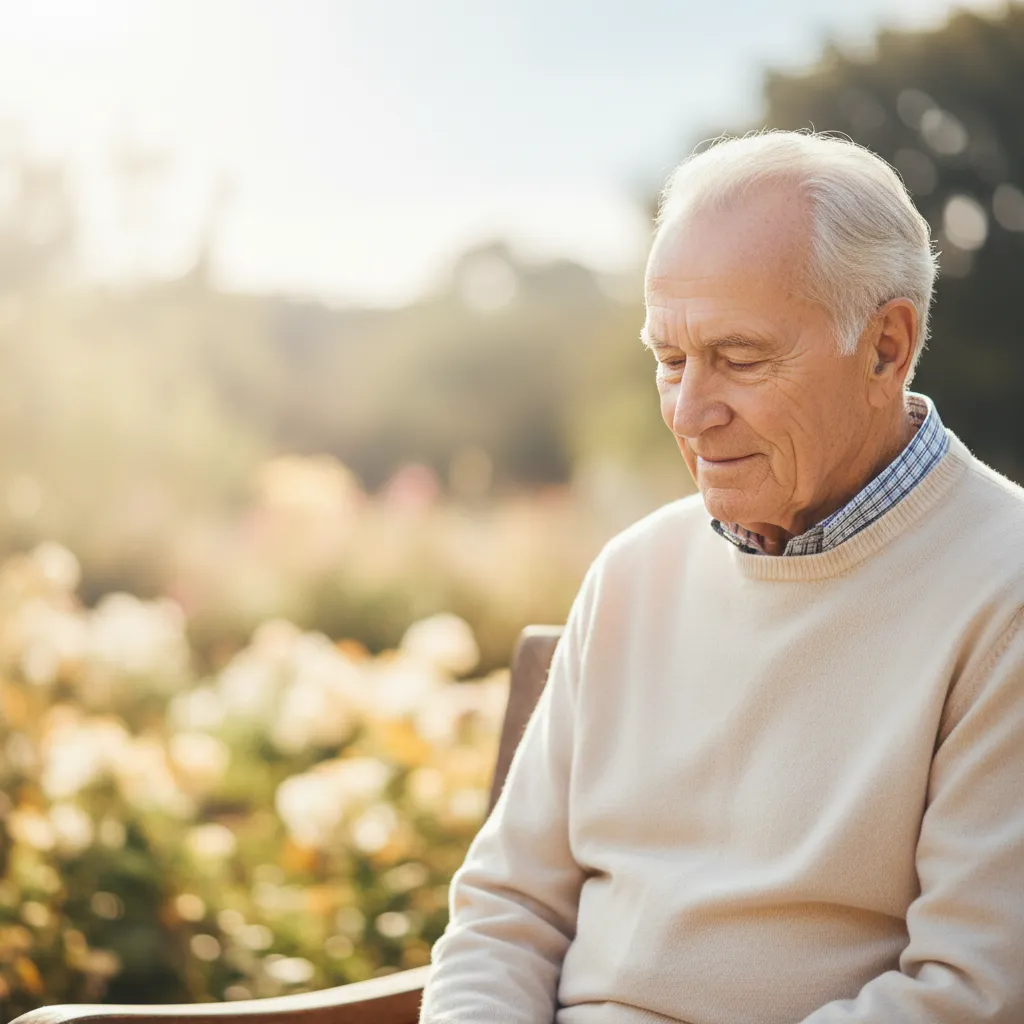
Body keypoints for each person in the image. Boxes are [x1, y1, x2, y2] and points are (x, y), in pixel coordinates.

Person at [418, 131, 1024, 1023]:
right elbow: (507, 914)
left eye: (740, 359)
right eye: (669, 360)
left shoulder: (1003, 592)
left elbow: (967, 995)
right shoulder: (634, 571)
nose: (692, 413)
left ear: (887, 348)